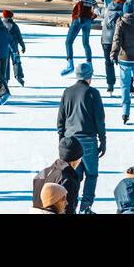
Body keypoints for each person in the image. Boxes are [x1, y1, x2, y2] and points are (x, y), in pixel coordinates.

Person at [56, 61, 106, 213]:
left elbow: (61, 119)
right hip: (88, 140)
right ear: (89, 76)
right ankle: (86, 207)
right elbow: (99, 120)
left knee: (74, 176)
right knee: (91, 174)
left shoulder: (67, 92)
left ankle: (71, 205)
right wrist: (103, 141)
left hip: (70, 141)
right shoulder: (93, 93)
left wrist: (62, 141)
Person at [61, 0, 97, 76]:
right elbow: (95, 5)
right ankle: (90, 66)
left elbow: (79, 2)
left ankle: (70, 65)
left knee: (68, 42)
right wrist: (92, 16)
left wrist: (79, 15)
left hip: (79, 19)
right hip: (87, 21)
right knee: (86, 43)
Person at [100, 0, 125, 96]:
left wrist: (93, 7)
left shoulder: (106, 9)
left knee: (108, 63)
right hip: (119, 41)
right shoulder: (123, 12)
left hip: (105, 40)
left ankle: (110, 85)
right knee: (124, 63)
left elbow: (98, 11)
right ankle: (130, 86)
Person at [3, 10, 26, 86]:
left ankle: (5, 78)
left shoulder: (1, 25)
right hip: (14, 47)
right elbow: (19, 37)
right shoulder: (14, 25)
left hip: (4, 47)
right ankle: (18, 76)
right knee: (16, 61)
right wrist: (22, 45)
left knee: (5, 63)